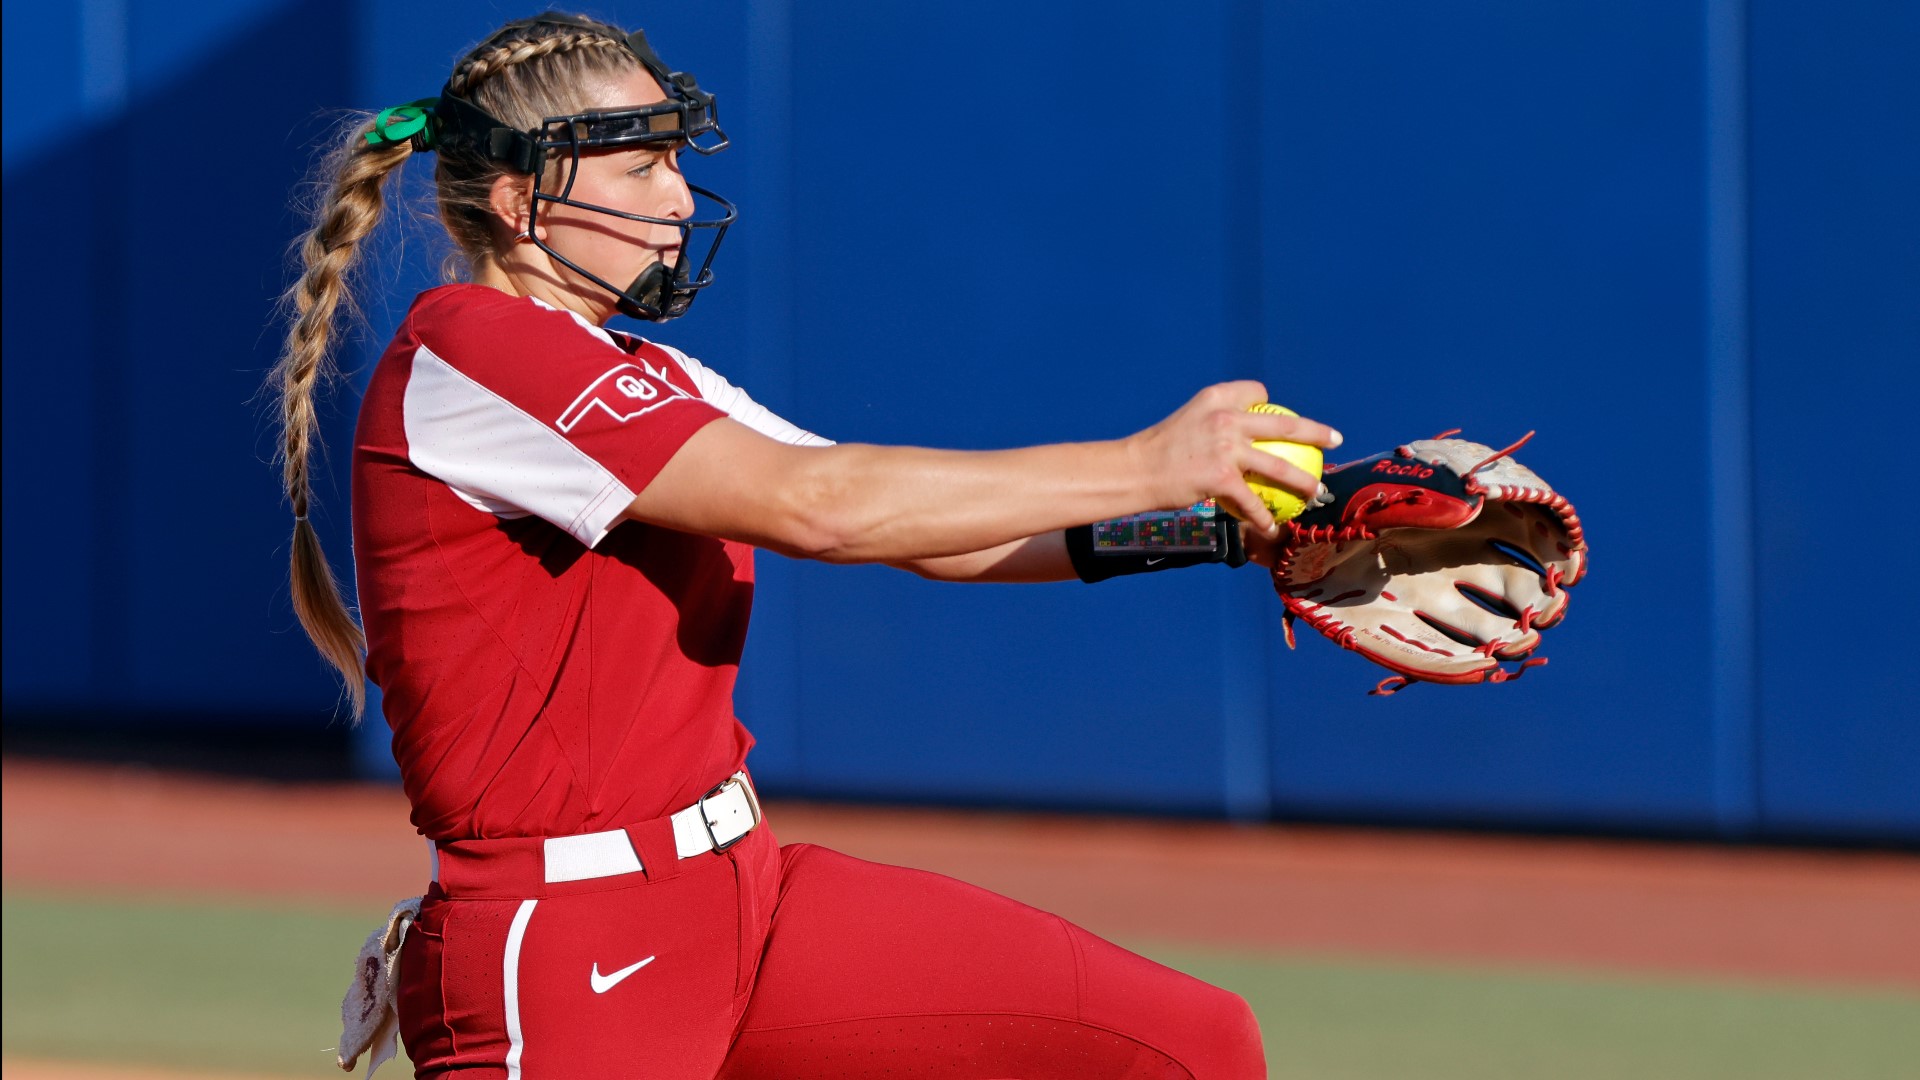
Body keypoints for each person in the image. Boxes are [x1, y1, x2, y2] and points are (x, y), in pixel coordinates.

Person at [274, 12, 1339, 1079]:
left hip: (745, 903)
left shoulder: (644, 373)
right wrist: (1149, 460)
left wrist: (1224, 528)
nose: (680, 197)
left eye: (677, 162)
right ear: (519, 202)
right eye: (642, 164)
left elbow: (935, 539)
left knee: (1191, 1045)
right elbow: (818, 505)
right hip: (564, 949)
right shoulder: (475, 350)